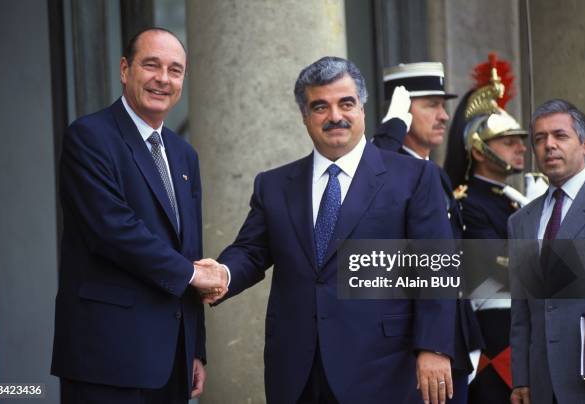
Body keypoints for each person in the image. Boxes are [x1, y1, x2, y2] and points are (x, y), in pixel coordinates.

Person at [196, 56, 456, 404]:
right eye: (320, 106)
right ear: (305, 117)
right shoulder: (274, 185)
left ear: (362, 108)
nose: (335, 116)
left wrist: (434, 347)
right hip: (297, 370)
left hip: (383, 367)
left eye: (346, 103)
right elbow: (251, 250)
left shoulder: (413, 177)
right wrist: (224, 273)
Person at [51, 27, 227, 404]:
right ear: (124, 69)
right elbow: (112, 230)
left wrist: (195, 348)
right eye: (152, 65)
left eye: (175, 70)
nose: (163, 79)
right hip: (107, 358)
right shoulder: (90, 137)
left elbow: (189, 247)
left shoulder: (184, 155)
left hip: (172, 359)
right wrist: (195, 275)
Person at [372, 62, 484, 404]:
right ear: (403, 112)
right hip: (409, 352)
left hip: (449, 348)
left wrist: (467, 338)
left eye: (443, 105)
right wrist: (389, 131)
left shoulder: (433, 174)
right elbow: (367, 178)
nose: (444, 116)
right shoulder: (385, 168)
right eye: (431, 105)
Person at [444, 54, 528, 403]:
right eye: (509, 141)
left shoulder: (518, 198)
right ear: (479, 149)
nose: (522, 148)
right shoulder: (465, 203)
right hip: (497, 339)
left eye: (521, 139)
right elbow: (497, 270)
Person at [509, 99, 585, 404]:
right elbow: (521, 311)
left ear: (584, 145)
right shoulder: (521, 222)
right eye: (540, 139)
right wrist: (522, 378)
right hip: (543, 384)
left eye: (560, 136)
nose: (549, 145)